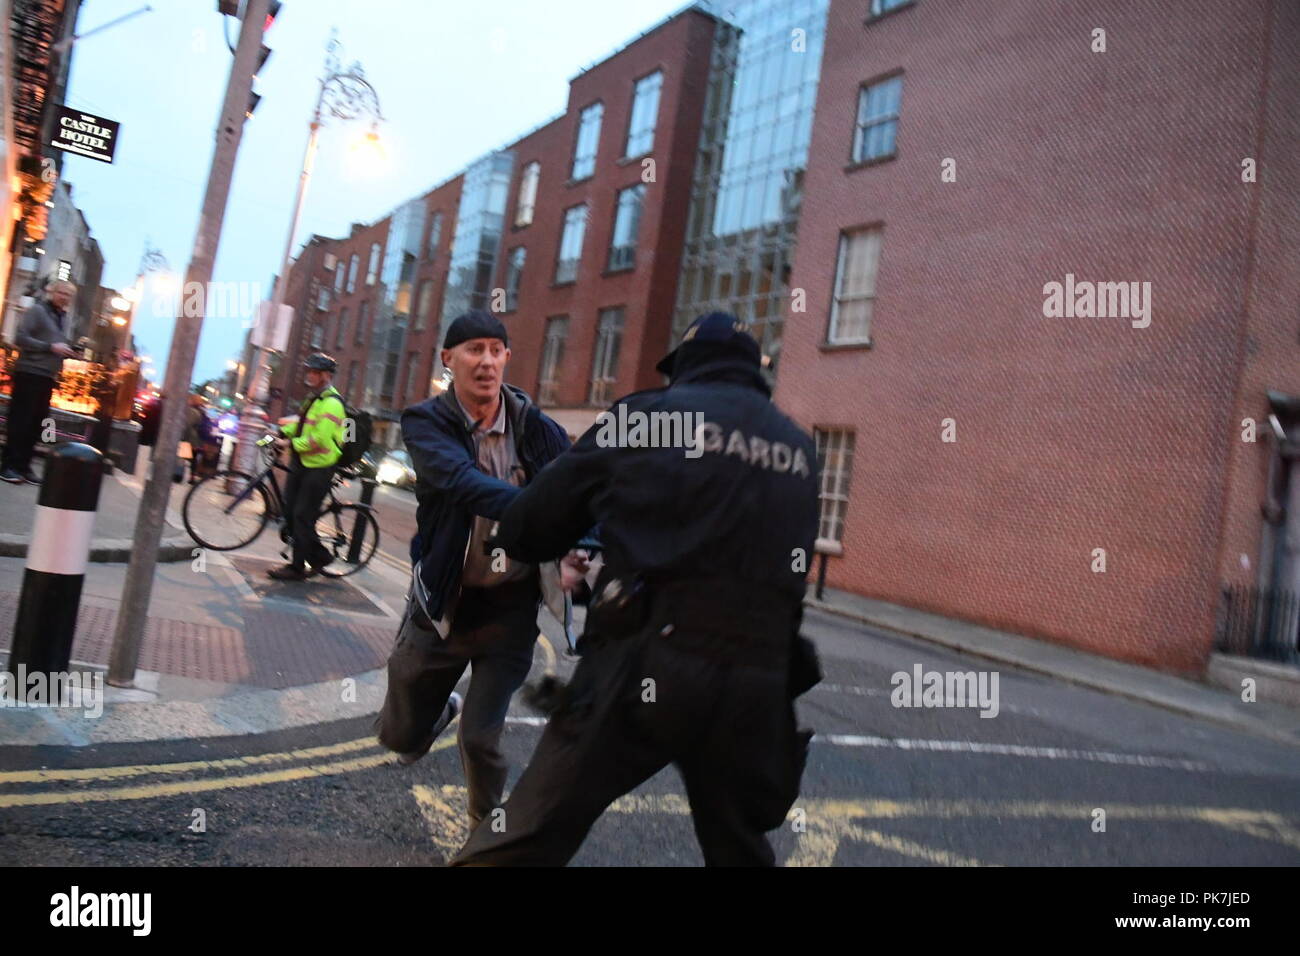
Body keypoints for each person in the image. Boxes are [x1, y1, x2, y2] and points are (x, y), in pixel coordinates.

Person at [452, 311, 822, 867]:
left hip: (648, 662)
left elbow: (534, 523)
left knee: (528, 830)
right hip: (759, 681)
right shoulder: (798, 446)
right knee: (738, 847)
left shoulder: (650, 416)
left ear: (685, 366)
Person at [376, 309, 582, 830]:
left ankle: (486, 830)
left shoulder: (541, 431)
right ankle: (434, 713)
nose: (486, 361)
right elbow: (460, 481)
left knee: (482, 737)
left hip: (509, 611)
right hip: (446, 598)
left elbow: (581, 498)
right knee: (399, 735)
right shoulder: (426, 422)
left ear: (507, 358)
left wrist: (583, 546)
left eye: (496, 350)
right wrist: (538, 508)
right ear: (448, 360)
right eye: (473, 350)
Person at [267, 352, 346, 581]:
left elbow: (318, 439)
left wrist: (289, 443)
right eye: (309, 371)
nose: (309, 375)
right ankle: (315, 558)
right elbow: (302, 427)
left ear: (326, 376)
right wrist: (280, 433)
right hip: (303, 463)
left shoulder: (332, 404)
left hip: (320, 467)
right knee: (291, 512)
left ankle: (299, 566)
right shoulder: (313, 399)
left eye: (315, 372)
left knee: (302, 515)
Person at [1, 279, 78, 484]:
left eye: (68, 295)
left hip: (47, 376)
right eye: (61, 292)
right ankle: (9, 465)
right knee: (21, 421)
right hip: (30, 372)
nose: (65, 297)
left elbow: (55, 344)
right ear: (51, 292)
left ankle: (24, 466)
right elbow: (21, 338)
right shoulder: (37, 311)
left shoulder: (63, 317)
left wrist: (66, 352)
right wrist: (50, 347)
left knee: (36, 423)